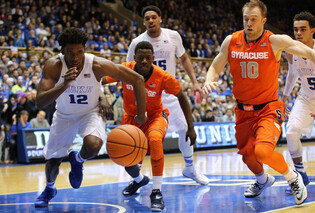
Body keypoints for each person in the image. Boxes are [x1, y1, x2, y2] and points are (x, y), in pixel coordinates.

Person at [202, 0, 315, 205]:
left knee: (262, 151)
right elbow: (216, 65)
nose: (249, 23)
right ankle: (263, 180)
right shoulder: (231, 41)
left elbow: (309, 53)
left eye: (254, 19)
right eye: (246, 19)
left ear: (264, 21)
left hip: (268, 109)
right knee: (248, 158)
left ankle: (294, 178)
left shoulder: (275, 41)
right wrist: (208, 80)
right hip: (242, 111)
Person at [34, 27, 147, 208]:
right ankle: (49, 188)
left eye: (79, 52)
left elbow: (138, 79)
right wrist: (64, 85)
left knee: (94, 145)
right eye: (70, 52)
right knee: (53, 161)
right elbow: (39, 102)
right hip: (64, 114)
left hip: (91, 112)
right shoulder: (54, 65)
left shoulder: (97, 65)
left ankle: (77, 160)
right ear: (62, 51)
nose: (75, 57)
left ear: (85, 49)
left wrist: (141, 114)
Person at [103, 41, 196, 212]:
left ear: (153, 58)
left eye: (148, 58)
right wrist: (102, 97)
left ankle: (157, 191)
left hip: (155, 116)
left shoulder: (162, 76)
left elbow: (181, 97)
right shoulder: (125, 69)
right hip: (131, 118)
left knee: (154, 139)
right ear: (134, 58)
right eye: (141, 58)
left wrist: (190, 127)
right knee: (127, 158)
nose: (144, 61)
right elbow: (99, 79)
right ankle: (139, 180)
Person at [126, 5, 209, 185]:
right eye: (147, 18)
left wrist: (194, 81)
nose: (150, 21)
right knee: (139, 137)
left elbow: (184, 58)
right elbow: (127, 70)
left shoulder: (173, 36)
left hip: (169, 94)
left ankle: (189, 167)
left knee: (185, 128)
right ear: (144, 22)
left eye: (153, 17)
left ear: (160, 19)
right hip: (146, 95)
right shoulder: (136, 43)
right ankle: (137, 178)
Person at [283, 12, 315, 194]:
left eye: (303, 29)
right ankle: (301, 176)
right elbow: (292, 74)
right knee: (291, 132)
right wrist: (285, 96)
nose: (298, 33)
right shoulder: (291, 51)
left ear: (312, 31)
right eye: (296, 29)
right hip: (306, 99)